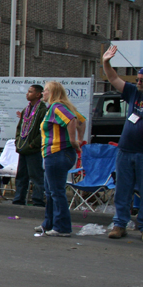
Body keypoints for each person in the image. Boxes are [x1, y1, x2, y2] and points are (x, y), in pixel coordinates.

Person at [101, 46, 143, 242]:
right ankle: (120, 224)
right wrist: (106, 62)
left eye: (142, 80)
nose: (137, 82)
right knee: (123, 189)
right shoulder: (133, 93)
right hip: (125, 150)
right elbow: (113, 79)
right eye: (137, 79)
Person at [37, 81, 83, 237]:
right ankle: (49, 223)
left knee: (56, 192)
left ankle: (62, 226)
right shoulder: (54, 108)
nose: (42, 93)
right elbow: (81, 120)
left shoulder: (57, 107)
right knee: (50, 192)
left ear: (51, 92)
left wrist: (73, 140)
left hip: (58, 152)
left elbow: (72, 120)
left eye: (44, 91)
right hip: (53, 154)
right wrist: (79, 139)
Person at [12, 85, 47, 207]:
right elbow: (20, 127)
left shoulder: (42, 110)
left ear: (38, 94)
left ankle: (37, 200)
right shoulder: (26, 110)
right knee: (21, 175)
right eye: (28, 91)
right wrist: (18, 141)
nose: (27, 94)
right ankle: (18, 199)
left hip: (33, 149)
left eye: (30, 92)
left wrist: (33, 144)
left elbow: (43, 131)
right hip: (23, 147)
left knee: (36, 176)